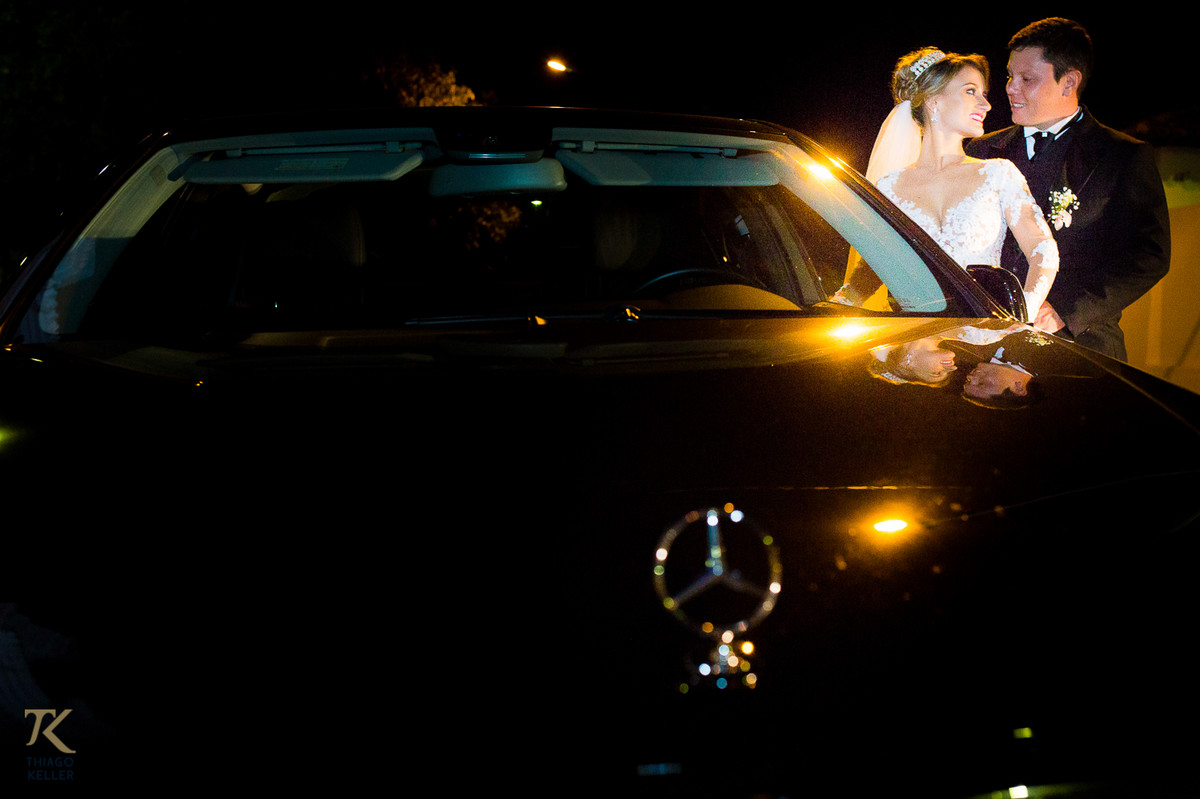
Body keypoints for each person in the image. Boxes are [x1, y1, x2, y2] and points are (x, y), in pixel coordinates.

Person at [965, 18, 1171, 361]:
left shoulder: (1123, 155)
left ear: (1069, 82)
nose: (1010, 89)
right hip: (982, 348)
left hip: (1081, 351)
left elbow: (1148, 255)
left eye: (1027, 79)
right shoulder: (980, 151)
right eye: (1009, 77)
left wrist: (1065, 309)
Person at [840, 46, 1060, 326]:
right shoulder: (888, 188)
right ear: (933, 101)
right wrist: (835, 306)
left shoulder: (997, 174)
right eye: (971, 91)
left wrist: (1021, 315)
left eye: (984, 94)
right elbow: (871, 272)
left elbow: (1043, 249)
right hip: (913, 345)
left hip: (984, 343)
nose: (986, 105)